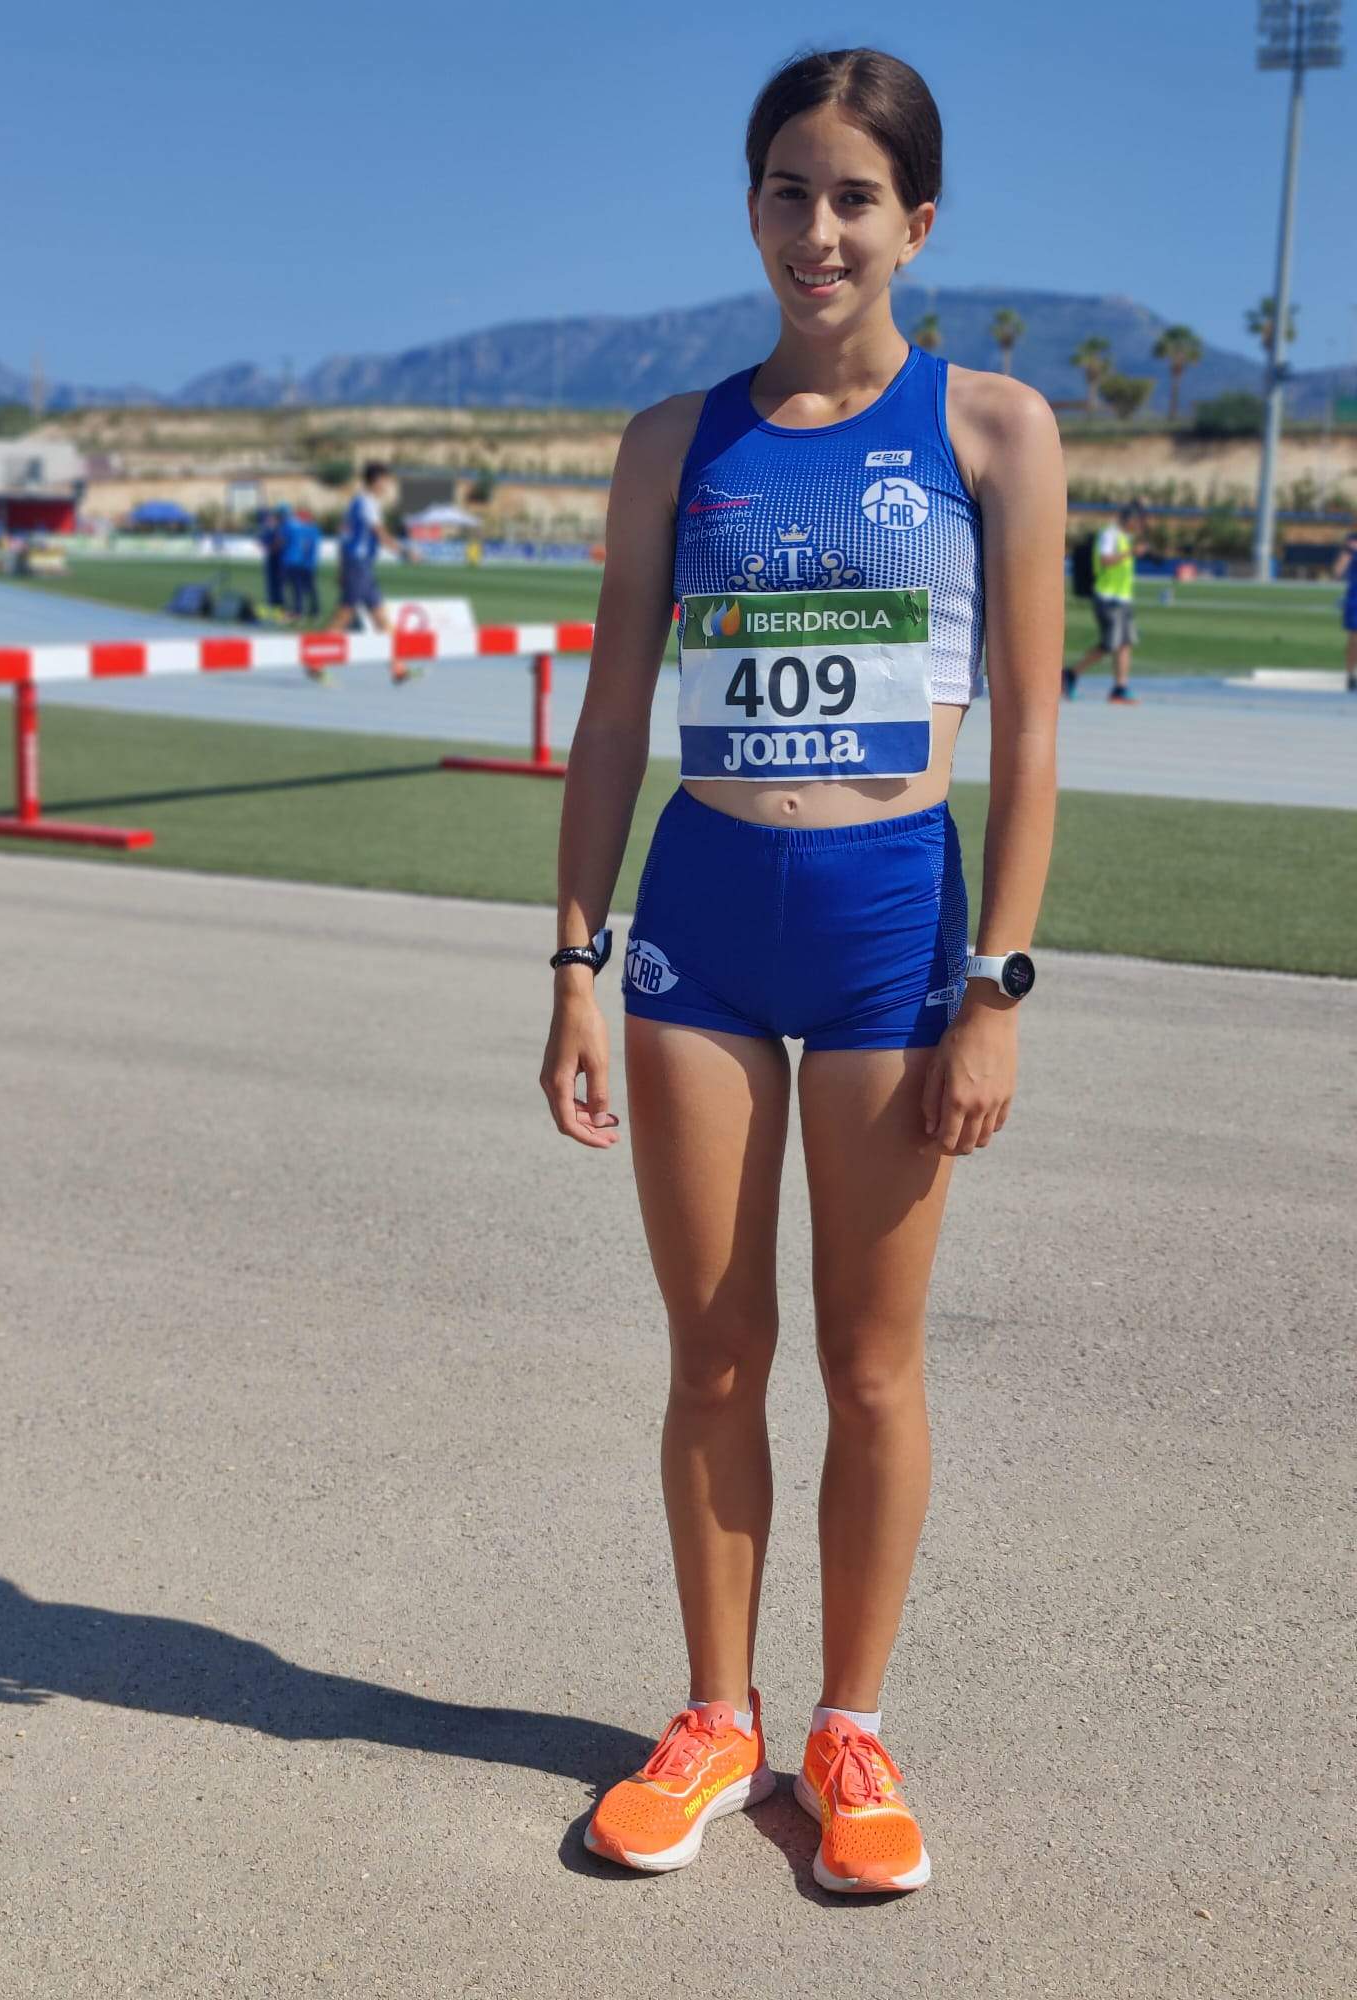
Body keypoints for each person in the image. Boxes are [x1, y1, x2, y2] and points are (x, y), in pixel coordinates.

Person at [540, 47, 1062, 1896]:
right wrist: (574, 957)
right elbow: (613, 712)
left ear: (914, 222)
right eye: (785, 190)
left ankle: (846, 1725)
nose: (815, 228)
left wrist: (993, 983)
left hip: (882, 942)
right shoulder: (673, 442)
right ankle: (712, 1717)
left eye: (852, 196)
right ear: (749, 208)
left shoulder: (990, 431)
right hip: (696, 921)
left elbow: (1026, 731)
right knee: (710, 1361)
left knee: (866, 1366)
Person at [324, 463, 418, 685]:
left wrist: (340, 568)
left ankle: (398, 668)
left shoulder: (358, 502)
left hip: (360, 565)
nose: (387, 485)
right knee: (344, 616)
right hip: (359, 565)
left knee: (381, 617)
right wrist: (404, 552)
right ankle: (316, 660)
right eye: (385, 480)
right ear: (375, 481)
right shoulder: (367, 503)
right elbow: (380, 533)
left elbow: (344, 537)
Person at [1063, 501, 1143, 703]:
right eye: (1137, 520)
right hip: (1108, 598)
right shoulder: (1110, 535)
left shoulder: (1126, 538)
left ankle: (1120, 687)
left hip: (1122, 598)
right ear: (1129, 519)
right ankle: (1071, 674)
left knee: (1125, 643)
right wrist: (1130, 553)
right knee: (1110, 644)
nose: (1139, 525)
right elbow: (1106, 560)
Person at [282, 509, 321, 624]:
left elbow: (306, 545)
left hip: (301, 563)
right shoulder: (312, 529)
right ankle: (312, 611)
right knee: (308, 588)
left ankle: (300, 612)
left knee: (298, 588)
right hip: (306, 563)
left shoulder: (305, 529)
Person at [1334, 530, 1357, 692]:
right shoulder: (1352, 542)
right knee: (1354, 638)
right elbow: (1338, 571)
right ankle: (1350, 675)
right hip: (1355, 597)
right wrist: (1349, 552)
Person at [258, 506, 287, 615]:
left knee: (278, 584)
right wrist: (266, 546)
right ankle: (272, 606)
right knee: (270, 584)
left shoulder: (280, 529)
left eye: (270, 519)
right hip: (270, 559)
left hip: (278, 559)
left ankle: (280, 607)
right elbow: (261, 542)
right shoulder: (266, 530)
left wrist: (271, 547)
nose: (268, 521)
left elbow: (281, 543)